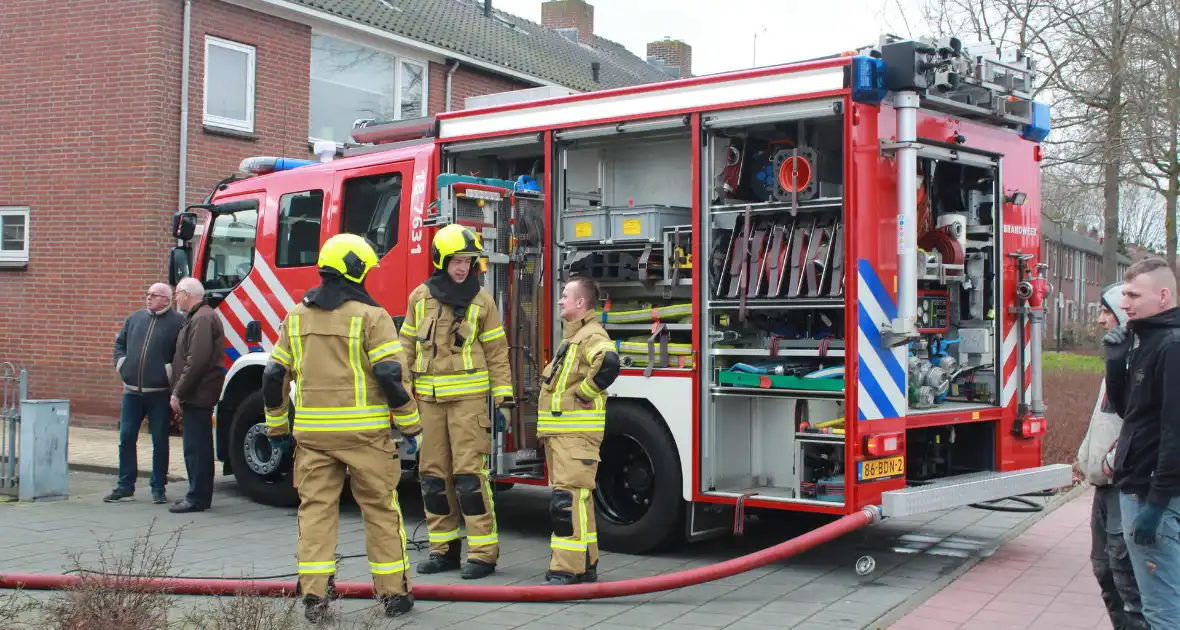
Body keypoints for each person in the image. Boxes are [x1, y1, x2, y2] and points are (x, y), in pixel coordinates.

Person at [263, 233, 422, 623]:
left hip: (314, 438)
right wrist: (410, 424)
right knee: (381, 511)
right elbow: (389, 374)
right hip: (365, 438)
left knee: (316, 512)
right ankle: (394, 595)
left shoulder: (296, 316)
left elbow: (272, 375)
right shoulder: (372, 317)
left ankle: (315, 596)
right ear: (356, 271)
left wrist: (276, 427)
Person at [402, 224, 513, 580]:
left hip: (468, 403)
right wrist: (399, 398)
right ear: (440, 260)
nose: (463, 267)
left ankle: (482, 554)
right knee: (433, 477)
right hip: (429, 404)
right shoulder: (420, 298)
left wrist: (504, 401)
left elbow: (498, 354)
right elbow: (405, 349)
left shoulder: (483, 301)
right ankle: (443, 550)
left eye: (468, 260)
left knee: (469, 478)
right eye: (456, 261)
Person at [1103, 256, 1180, 629]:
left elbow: (1174, 431)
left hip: (1153, 498)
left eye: (1133, 294)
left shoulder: (1171, 346)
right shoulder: (1148, 341)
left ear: (1163, 296)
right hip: (1145, 493)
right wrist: (1116, 365)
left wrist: (1157, 504)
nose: (1124, 302)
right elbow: (1131, 414)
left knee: (1162, 611)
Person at [536, 276, 619, 585]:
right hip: (565, 437)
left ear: (581, 303)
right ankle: (584, 563)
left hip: (574, 439)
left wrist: (585, 392)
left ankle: (566, 569)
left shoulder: (590, 335)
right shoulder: (575, 336)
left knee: (565, 502)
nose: (560, 300)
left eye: (565, 296)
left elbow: (609, 364)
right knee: (578, 501)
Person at [1077, 282, 1148, 630]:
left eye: (1107, 312)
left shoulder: (1144, 360)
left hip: (1126, 487)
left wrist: (1113, 462)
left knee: (1128, 582)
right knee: (1106, 572)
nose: (1102, 320)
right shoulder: (1117, 359)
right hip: (1104, 488)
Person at [104, 283, 185, 505]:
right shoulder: (135, 318)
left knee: (160, 440)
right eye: (147, 294)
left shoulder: (179, 323)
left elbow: (181, 355)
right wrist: (122, 364)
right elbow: (119, 343)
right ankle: (125, 486)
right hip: (131, 392)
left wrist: (169, 375)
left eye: (154, 295)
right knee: (126, 437)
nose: (148, 298)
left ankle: (158, 487)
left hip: (159, 393)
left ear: (167, 300)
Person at [167, 277, 226, 514]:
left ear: (187, 294)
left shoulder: (201, 318)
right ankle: (197, 494)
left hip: (197, 394)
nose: (175, 297)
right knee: (197, 446)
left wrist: (178, 392)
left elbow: (197, 360)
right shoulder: (200, 316)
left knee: (197, 448)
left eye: (178, 293)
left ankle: (197, 497)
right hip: (198, 393)